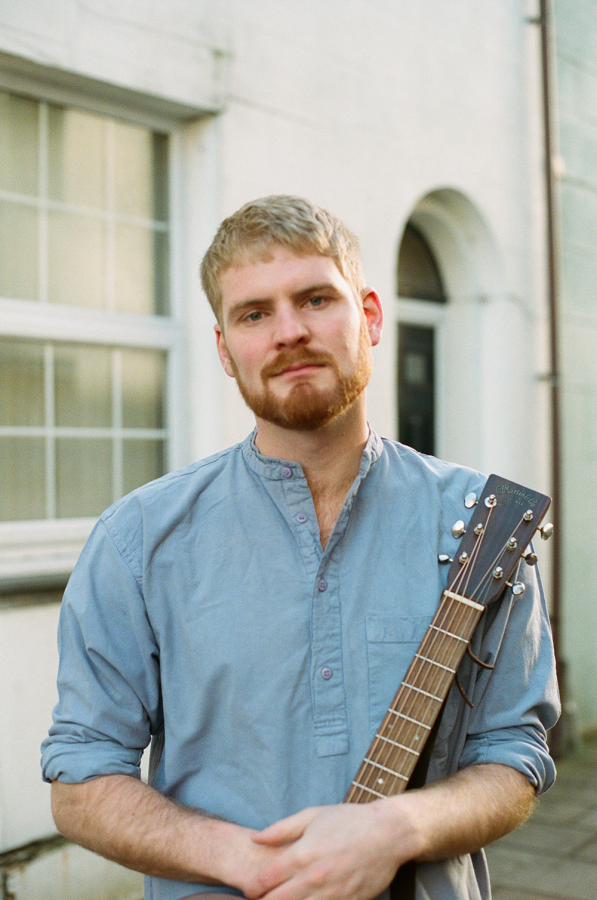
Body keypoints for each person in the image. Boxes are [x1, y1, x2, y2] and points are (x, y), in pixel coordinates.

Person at [42, 195, 560, 900]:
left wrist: (396, 828)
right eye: (254, 314)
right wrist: (254, 864)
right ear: (226, 352)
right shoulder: (138, 541)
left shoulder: (481, 524)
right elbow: (81, 779)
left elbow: (513, 755)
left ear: (370, 317)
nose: (288, 332)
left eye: (315, 299)